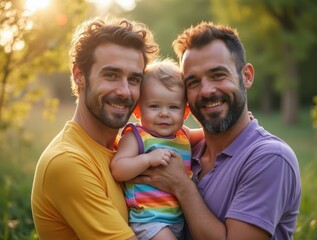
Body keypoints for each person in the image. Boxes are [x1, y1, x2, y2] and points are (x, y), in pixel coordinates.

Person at [134, 22, 301, 240]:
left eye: (218, 75)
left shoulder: (270, 158)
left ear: (247, 76)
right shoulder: (187, 150)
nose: (206, 91)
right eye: (193, 82)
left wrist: (182, 186)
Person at [31, 16, 159, 240]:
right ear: (79, 76)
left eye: (134, 79)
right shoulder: (67, 161)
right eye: (111, 75)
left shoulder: (126, 149)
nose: (124, 91)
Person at [111, 58, 204, 240]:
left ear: (185, 113)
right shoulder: (137, 136)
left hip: (178, 219)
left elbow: (206, 134)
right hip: (149, 220)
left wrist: (239, 126)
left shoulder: (182, 134)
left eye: (173, 107)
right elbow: (118, 168)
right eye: (154, 106)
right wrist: (147, 159)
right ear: (138, 111)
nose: (164, 113)